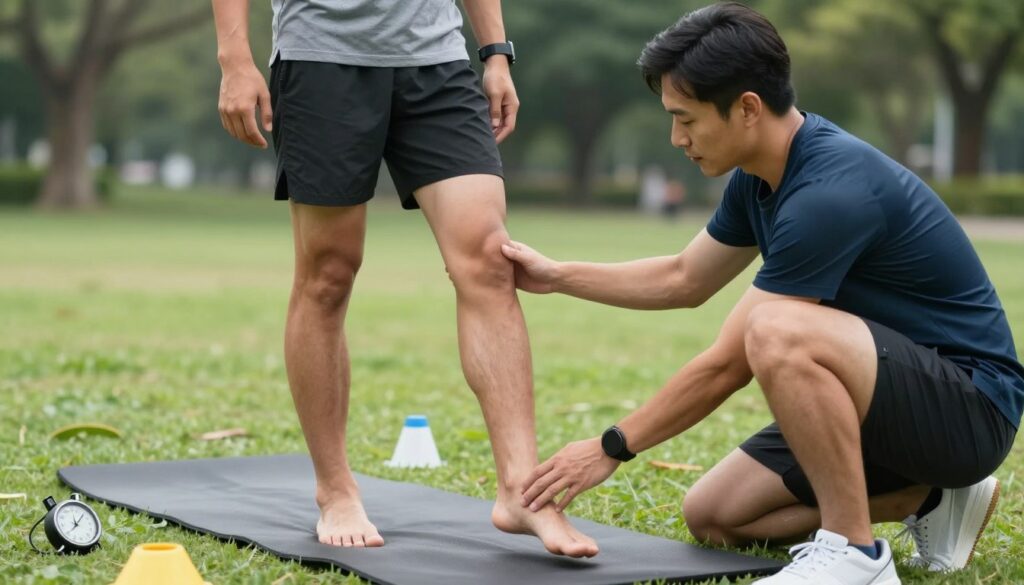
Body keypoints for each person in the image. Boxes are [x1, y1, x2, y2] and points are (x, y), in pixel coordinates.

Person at [499, 3, 1021, 583]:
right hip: (882, 399)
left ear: (747, 107)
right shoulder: (760, 177)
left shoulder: (829, 191)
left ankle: (855, 554)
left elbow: (730, 362)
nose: (676, 138)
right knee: (715, 516)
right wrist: (557, 276)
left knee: (774, 329)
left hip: (969, 409)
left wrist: (612, 445)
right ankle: (931, 500)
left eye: (687, 119)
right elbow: (684, 278)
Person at [212, 0, 598, 557]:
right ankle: (336, 488)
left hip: (437, 60)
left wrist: (495, 52)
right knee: (328, 276)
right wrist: (234, 58)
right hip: (321, 57)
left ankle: (520, 491)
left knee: (491, 260)